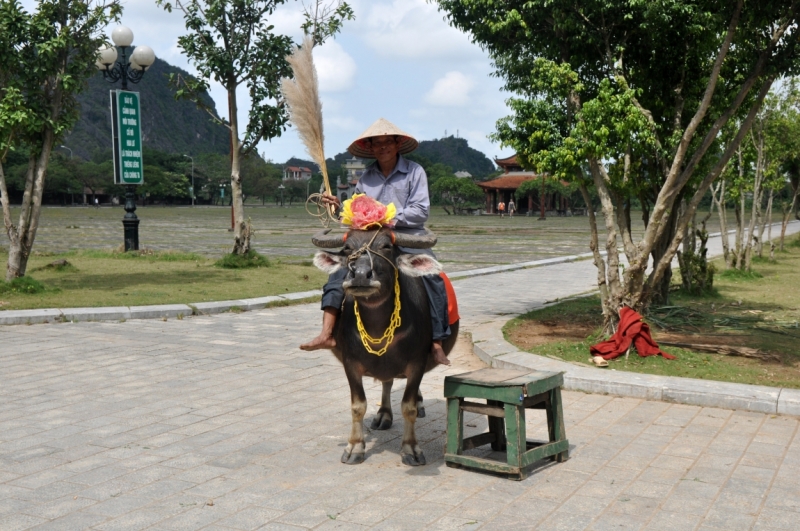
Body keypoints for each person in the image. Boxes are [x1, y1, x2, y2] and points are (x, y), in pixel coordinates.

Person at [300, 118, 451, 366]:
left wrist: (386, 217)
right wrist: (340, 209)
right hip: (370, 240)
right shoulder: (366, 178)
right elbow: (356, 213)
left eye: (387, 142)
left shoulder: (415, 172)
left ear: (397, 143)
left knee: (433, 276)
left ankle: (436, 341)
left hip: (407, 235)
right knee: (339, 270)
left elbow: (420, 211)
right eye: (377, 143)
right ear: (370, 148)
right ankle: (327, 333)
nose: (382, 147)